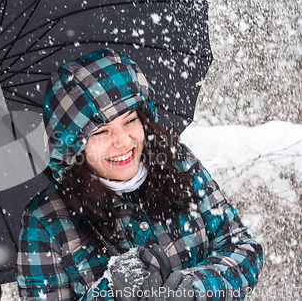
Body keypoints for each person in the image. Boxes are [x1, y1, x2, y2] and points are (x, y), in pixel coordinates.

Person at [16, 48, 263, 300]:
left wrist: (194, 288)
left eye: (129, 120)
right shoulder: (45, 222)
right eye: (101, 132)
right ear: (73, 147)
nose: (123, 142)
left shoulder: (178, 163)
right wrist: (110, 294)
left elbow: (243, 249)